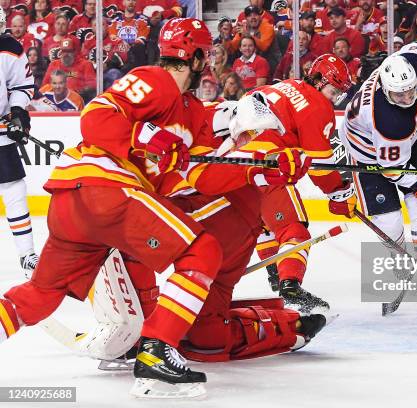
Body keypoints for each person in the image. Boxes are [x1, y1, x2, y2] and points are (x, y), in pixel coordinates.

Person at [0, 17, 310, 399]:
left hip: (75, 207)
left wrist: (263, 173)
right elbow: (95, 117)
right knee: (202, 249)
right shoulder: (155, 79)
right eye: (206, 55)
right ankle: (157, 353)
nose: (209, 64)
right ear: (195, 58)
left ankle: (145, 345)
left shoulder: (191, 114)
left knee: (40, 295)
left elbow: (200, 178)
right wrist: (144, 134)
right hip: (106, 188)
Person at [232, 54, 355, 313]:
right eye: (334, 91)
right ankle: (290, 288)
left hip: (233, 166)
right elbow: (320, 167)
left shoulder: (286, 85)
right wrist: (339, 192)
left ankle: (276, 275)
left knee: (266, 225)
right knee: (293, 230)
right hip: (268, 166)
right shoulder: (318, 106)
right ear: (320, 81)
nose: (334, 98)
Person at [339, 43, 417, 300]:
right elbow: (391, 171)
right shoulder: (389, 121)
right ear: (385, 90)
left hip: (407, 140)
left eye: (411, 92)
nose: (407, 100)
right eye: (399, 96)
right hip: (367, 151)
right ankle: (399, 255)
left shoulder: (416, 62)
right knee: (390, 220)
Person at [0, 8, 38, 276]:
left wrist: (17, 112)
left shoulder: (9, 47)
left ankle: (27, 255)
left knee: (14, 190)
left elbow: (22, 86)